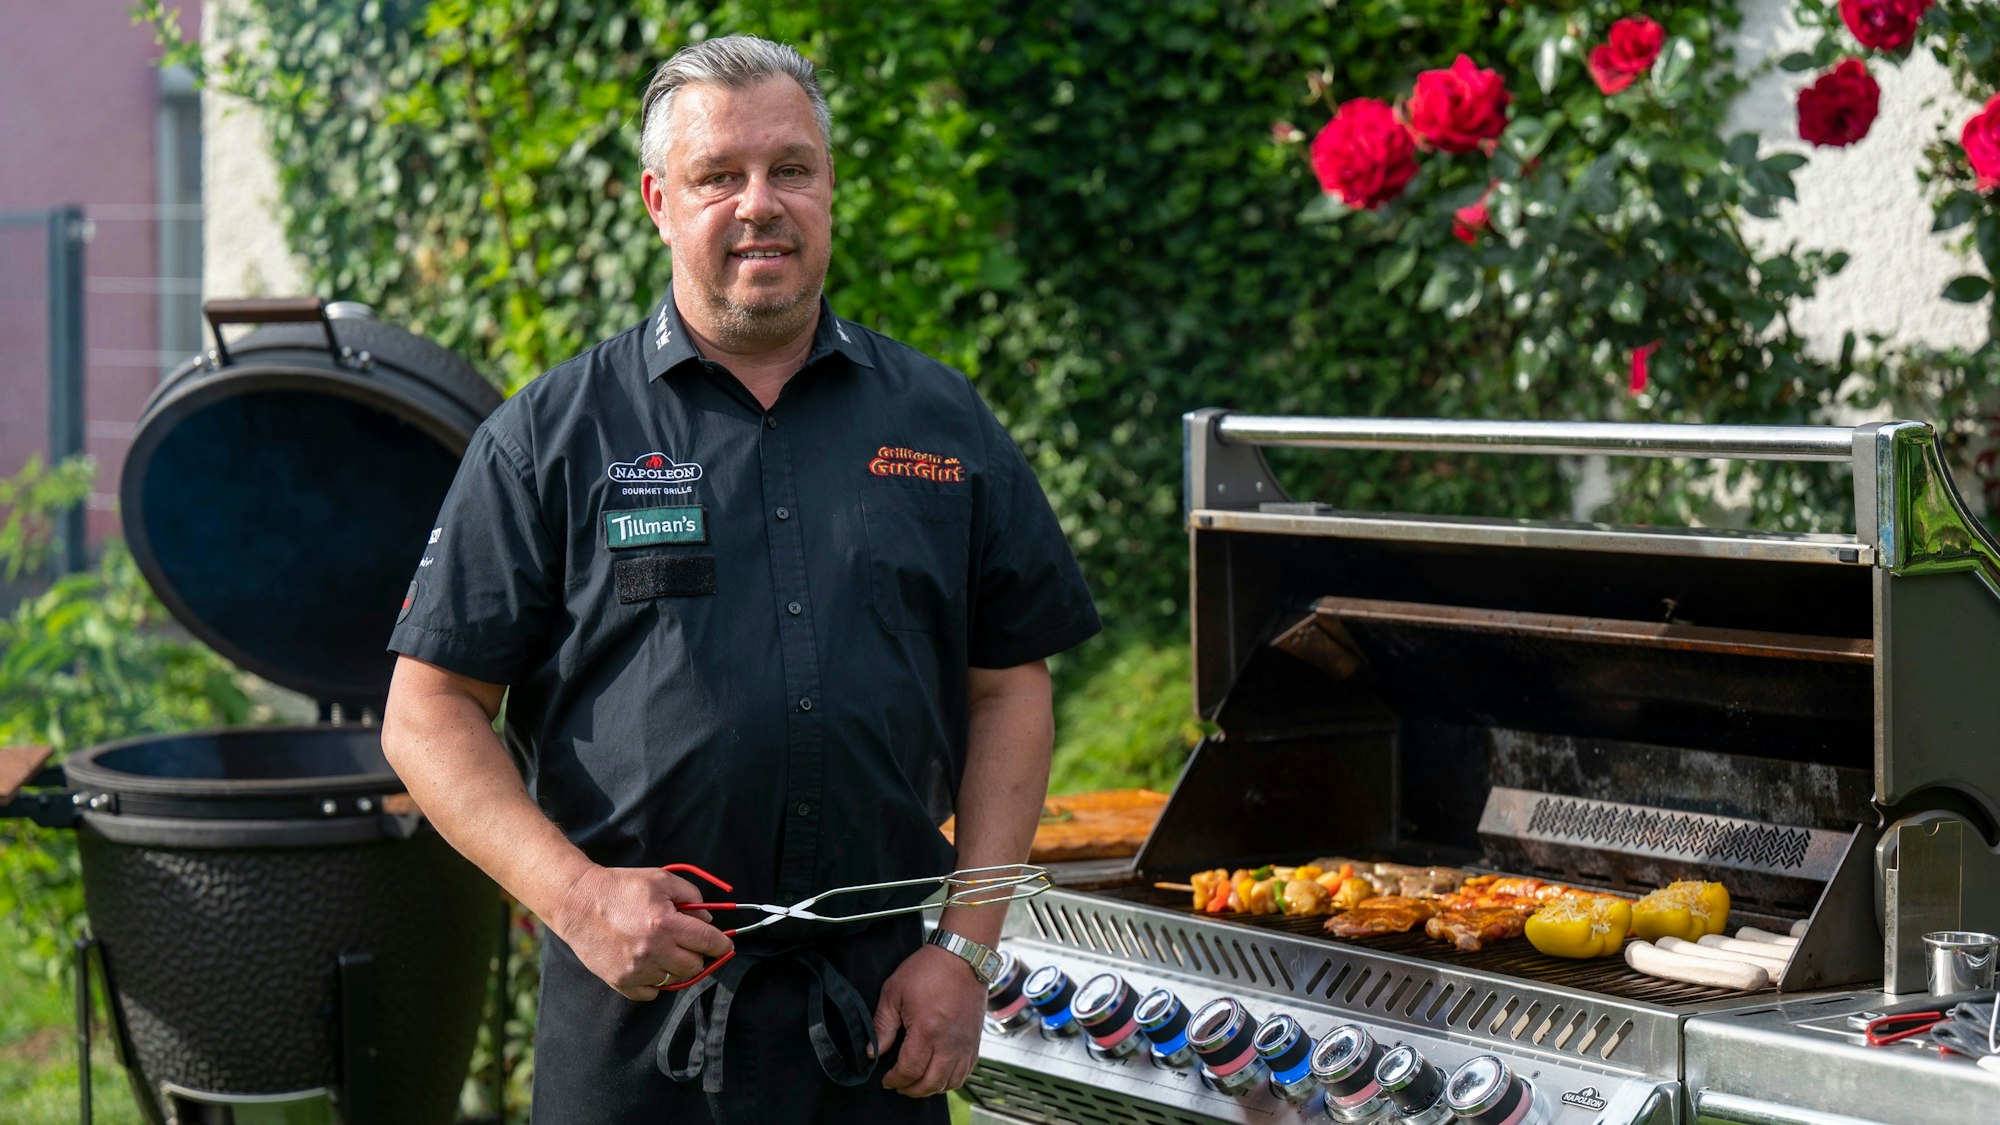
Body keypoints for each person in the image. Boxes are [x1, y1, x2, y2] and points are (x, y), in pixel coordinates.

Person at [379, 33, 1100, 1125]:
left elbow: (1010, 688)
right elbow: (426, 713)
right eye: (720, 175)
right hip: (634, 1019)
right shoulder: (552, 437)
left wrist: (964, 950)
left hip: (880, 1018)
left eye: (790, 169)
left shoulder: (941, 425)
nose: (760, 203)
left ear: (827, 190)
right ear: (658, 200)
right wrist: (574, 899)